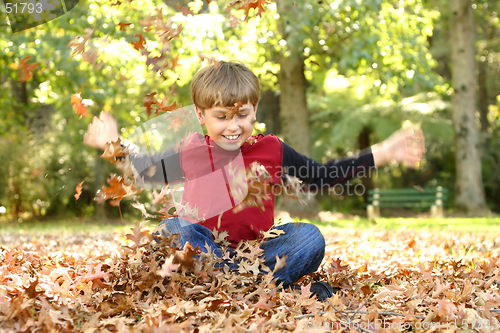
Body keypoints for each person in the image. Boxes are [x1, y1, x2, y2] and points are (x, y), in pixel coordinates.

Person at [83, 61, 425, 301]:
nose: (233, 126)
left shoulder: (272, 149)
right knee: (175, 230)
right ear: (201, 116)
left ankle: (238, 285)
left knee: (307, 237)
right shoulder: (192, 150)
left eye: (242, 115)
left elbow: (322, 176)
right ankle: (264, 288)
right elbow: (146, 170)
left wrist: (383, 151)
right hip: (205, 250)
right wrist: (114, 144)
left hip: (257, 256)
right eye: (221, 117)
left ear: (255, 111)